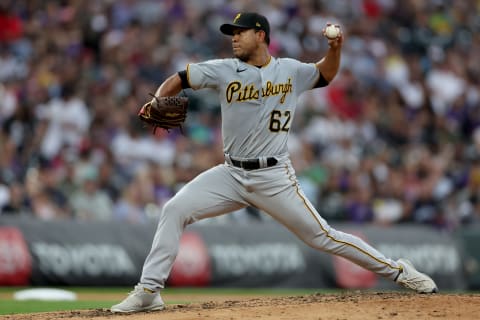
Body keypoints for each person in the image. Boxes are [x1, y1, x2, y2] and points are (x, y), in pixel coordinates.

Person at [111, 12, 437, 313]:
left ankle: (399, 271)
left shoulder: (291, 70)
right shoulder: (224, 69)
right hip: (231, 173)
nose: (234, 38)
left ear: (261, 35)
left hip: (274, 176)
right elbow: (180, 77)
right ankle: (149, 291)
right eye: (232, 33)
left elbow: (326, 72)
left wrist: (335, 47)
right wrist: (157, 100)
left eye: (240, 32)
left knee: (322, 236)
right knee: (174, 209)